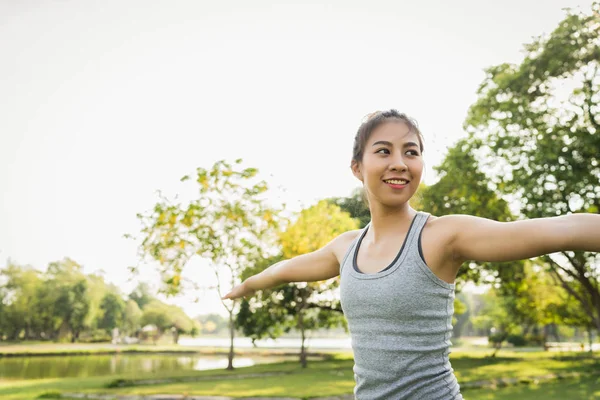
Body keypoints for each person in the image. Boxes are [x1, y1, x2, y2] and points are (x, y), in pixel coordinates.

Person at [223, 109, 600, 399]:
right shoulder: (346, 246)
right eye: (383, 151)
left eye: (411, 152)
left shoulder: (440, 236)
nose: (400, 162)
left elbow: (560, 229)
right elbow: (287, 269)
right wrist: (248, 285)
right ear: (358, 168)